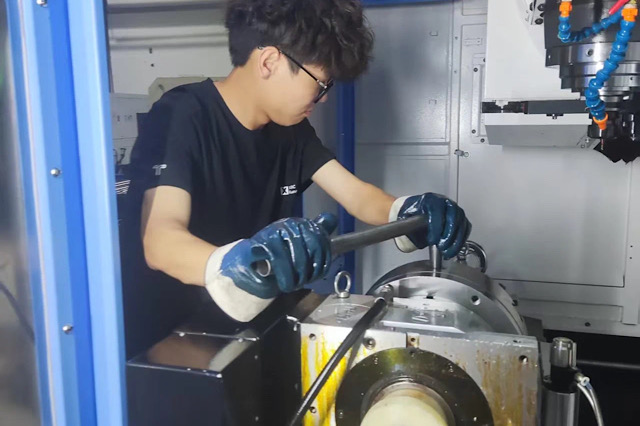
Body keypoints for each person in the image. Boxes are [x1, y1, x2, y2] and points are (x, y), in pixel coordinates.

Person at [121, 0, 471, 357]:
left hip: (248, 329)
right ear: (269, 62)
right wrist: (229, 264)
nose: (323, 98)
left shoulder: (290, 131)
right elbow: (160, 242)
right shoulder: (182, 114)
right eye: (320, 83)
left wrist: (406, 211)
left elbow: (357, 195)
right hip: (171, 336)